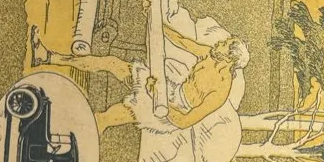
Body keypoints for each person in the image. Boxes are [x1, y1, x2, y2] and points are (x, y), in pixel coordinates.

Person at [29, 21, 248, 135]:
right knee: (111, 63)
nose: (219, 42)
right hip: (168, 89)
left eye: (224, 44)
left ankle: (55, 135)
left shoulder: (221, 91)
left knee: (104, 118)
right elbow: (182, 40)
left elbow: (184, 121)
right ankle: (46, 57)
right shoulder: (210, 54)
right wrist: (156, 20)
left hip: (167, 112)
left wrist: (157, 96)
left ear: (229, 59)